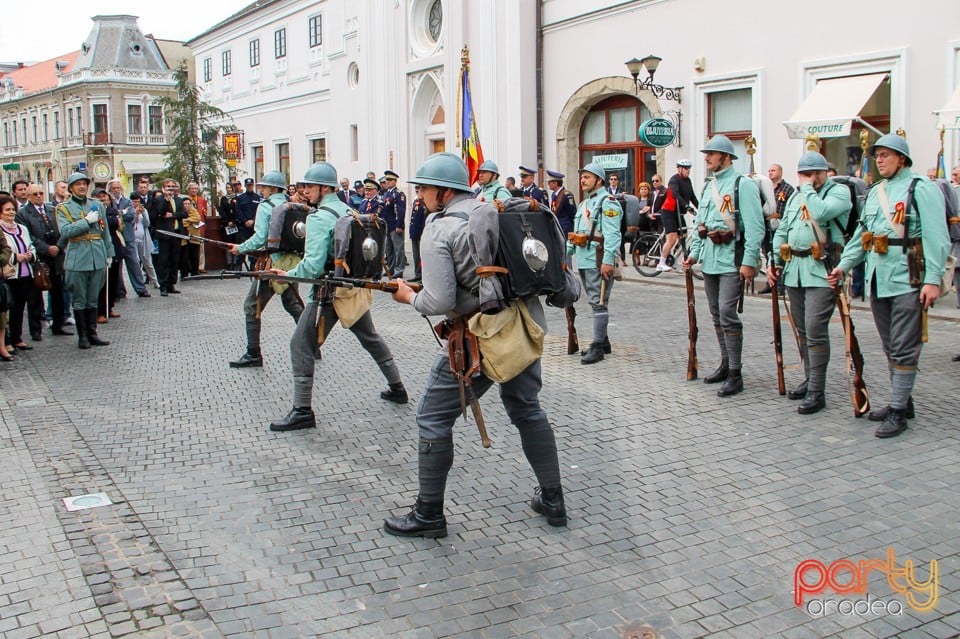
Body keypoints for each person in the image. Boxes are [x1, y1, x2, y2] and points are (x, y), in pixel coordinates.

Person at [383, 152, 568, 537]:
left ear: (442, 192)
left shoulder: (439, 227)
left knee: (432, 417)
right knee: (528, 409)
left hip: (477, 338)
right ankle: (553, 500)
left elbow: (439, 302)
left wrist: (407, 297)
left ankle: (429, 514)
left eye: (424, 188)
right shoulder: (496, 213)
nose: (420, 196)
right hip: (522, 329)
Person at [269, 162, 407, 432]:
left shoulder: (319, 217)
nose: (305, 191)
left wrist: (285, 275)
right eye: (304, 186)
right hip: (353, 289)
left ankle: (302, 411)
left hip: (329, 293)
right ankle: (397, 388)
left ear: (324, 188)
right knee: (370, 338)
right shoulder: (348, 209)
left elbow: (311, 265)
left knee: (300, 344)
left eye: (309, 186)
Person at [828, 133, 950, 438]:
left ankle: (898, 411)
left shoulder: (920, 188)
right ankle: (902, 400)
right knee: (889, 345)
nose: (880, 160)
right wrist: (843, 266)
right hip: (879, 279)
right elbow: (862, 236)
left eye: (886, 155)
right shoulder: (875, 191)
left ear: (902, 159)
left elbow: (937, 237)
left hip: (909, 278)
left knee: (904, 347)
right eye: (877, 156)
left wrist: (933, 280)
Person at [767, 152, 851, 414]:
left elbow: (820, 213)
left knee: (815, 330)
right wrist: (775, 261)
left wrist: (806, 188)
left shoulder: (837, 193)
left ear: (824, 173)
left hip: (822, 270)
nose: (810, 178)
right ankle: (810, 377)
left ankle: (817, 390)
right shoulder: (796, 197)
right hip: (795, 270)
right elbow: (783, 230)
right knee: (802, 330)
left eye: (814, 174)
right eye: (806, 174)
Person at [682, 134, 765, 397]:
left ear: (725, 157)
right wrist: (694, 254)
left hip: (731, 259)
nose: (706, 158)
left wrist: (749, 261)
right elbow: (700, 226)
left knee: (728, 313)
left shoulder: (743, 185)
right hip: (710, 259)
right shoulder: (708, 186)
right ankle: (726, 363)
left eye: (711, 154)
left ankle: (736, 373)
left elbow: (754, 227)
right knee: (716, 314)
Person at [228, 170, 303, 368]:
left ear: (271, 188)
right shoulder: (292, 205)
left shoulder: (265, 206)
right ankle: (312, 345)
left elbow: (260, 238)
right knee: (293, 304)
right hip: (291, 261)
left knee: (252, 306)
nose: (261, 190)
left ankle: (253, 353)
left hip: (270, 264)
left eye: (264, 187)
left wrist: (240, 248)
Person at [566, 162, 622, 364]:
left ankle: (598, 347)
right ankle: (603, 341)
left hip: (598, 259)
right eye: (582, 176)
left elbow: (613, 234)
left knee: (599, 302)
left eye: (588, 177)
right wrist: (566, 256)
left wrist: (608, 261)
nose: (583, 180)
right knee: (593, 300)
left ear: (599, 180)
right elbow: (577, 235)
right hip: (583, 258)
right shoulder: (584, 204)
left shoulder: (608, 202)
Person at [55, 173, 113, 349]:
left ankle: (93, 332)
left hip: (97, 255)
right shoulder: (62, 208)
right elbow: (65, 232)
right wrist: (86, 222)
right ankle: (83, 335)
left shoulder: (97, 205)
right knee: (80, 298)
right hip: (78, 256)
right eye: (78, 184)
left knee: (93, 298)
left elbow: (105, 231)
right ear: (71, 188)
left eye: (84, 184)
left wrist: (109, 253)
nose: (82, 187)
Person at [17, 184, 73, 337]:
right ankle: (36, 330)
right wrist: (46, 248)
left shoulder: (52, 210)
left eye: (41, 193)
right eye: (34, 194)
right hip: (38, 259)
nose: (38, 196)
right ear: (28, 196)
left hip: (56, 257)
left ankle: (58, 324)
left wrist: (58, 246)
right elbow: (28, 236)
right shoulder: (23, 214)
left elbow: (64, 229)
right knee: (35, 296)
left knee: (58, 293)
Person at [1, 194, 38, 352]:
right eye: (7, 210)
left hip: (24, 273)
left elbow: (30, 245)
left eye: (13, 209)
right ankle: (6, 341)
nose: (11, 212)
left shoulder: (22, 228)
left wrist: (30, 255)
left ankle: (17, 338)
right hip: (8, 275)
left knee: (19, 308)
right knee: (6, 309)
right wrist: (15, 257)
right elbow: (4, 251)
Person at [108, 179, 150, 298]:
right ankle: (119, 291)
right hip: (114, 237)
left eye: (118, 188)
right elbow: (108, 216)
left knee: (134, 263)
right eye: (113, 188)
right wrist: (122, 213)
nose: (116, 190)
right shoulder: (109, 201)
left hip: (128, 236)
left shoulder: (128, 201)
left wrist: (117, 214)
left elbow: (131, 215)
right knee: (116, 265)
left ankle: (141, 288)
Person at [658, 159, 698, 272]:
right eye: (686, 168)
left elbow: (692, 196)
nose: (688, 170)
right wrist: (686, 206)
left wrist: (701, 209)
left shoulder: (688, 181)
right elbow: (675, 195)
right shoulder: (674, 180)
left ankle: (675, 261)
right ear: (679, 169)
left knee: (683, 238)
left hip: (679, 213)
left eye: (689, 168)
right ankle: (661, 262)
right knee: (672, 238)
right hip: (669, 211)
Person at [148, 179, 187, 296]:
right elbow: (160, 213)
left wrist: (173, 215)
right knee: (164, 261)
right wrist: (166, 200)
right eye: (168, 186)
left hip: (176, 232)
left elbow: (184, 214)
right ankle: (163, 286)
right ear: (163, 188)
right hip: (165, 234)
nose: (171, 188)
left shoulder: (179, 200)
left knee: (175, 260)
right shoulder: (158, 200)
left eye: (173, 187)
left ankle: (171, 284)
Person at [92, 188, 123, 323]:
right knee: (102, 283)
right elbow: (103, 226)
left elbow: (117, 224)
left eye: (104, 197)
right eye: (99, 197)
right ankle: (100, 311)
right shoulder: (93, 211)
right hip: (100, 248)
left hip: (114, 247)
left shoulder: (111, 210)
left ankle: (109, 307)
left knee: (113, 280)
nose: (103, 199)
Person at [380, 170, 407, 279]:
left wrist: (399, 225)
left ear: (395, 182)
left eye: (390, 180)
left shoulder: (398, 194)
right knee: (388, 249)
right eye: (387, 180)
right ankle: (390, 268)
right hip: (388, 225)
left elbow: (401, 211)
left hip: (395, 225)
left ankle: (399, 269)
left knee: (398, 249)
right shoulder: (387, 193)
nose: (388, 182)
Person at [234, 178, 261, 268]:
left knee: (253, 246)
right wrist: (245, 221)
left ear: (253, 185)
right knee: (242, 245)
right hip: (243, 226)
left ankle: (253, 265)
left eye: (251, 185)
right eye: (248, 185)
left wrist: (253, 220)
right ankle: (239, 266)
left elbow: (259, 211)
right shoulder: (240, 198)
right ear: (245, 186)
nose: (249, 186)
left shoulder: (258, 198)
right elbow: (238, 211)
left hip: (254, 226)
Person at [547, 170, 577, 240]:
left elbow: (572, 214)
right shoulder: (554, 195)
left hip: (565, 229)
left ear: (555, 183)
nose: (548, 184)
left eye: (549, 182)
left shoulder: (567, 195)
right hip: (557, 227)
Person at [408, 188, 426, 283]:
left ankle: (423, 276)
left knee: (422, 256)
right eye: (416, 190)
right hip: (415, 232)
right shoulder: (416, 201)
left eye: (419, 190)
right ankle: (417, 274)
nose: (417, 192)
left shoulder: (425, 202)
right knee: (416, 255)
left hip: (421, 233)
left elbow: (424, 219)